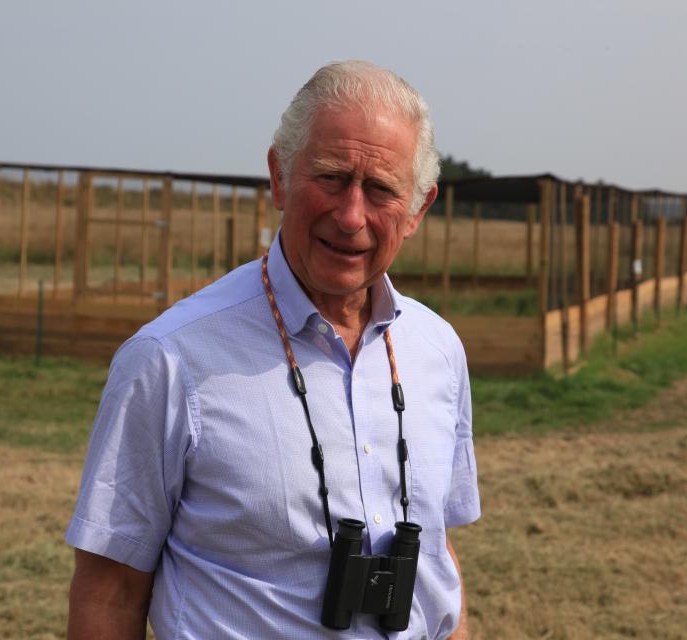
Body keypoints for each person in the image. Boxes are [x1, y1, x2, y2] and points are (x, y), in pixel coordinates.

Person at [66, 60, 481, 640]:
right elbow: (109, 595)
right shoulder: (171, 358)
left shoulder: (437, 350)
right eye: (332, 177)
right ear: (279, 177)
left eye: (382, 189)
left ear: (417, 210)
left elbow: (440, 560)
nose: (351, 215)